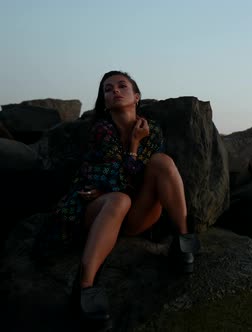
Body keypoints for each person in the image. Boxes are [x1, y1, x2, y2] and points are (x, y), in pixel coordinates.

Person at [52, 70, 196, 323]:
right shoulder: (102, 130)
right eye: (108, 89)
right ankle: (85, 287)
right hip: (98, 211)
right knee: (119, 199)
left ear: (136, 96)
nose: (115, 91)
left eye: (122, 86)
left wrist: (118, 177)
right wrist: (134, 147)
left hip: (134, 216)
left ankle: (184, 243)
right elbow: (113, 176)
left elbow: (128, 176)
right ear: (105, 102)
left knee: (162, 161)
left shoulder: (151, 130)